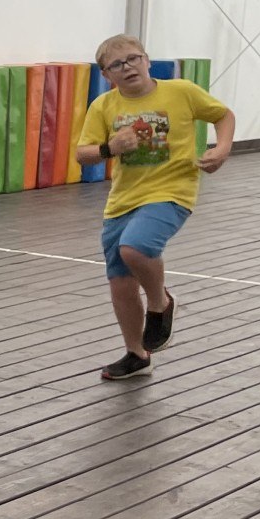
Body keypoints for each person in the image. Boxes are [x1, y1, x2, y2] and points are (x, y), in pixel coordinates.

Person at [77, 34, 235, 380]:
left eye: (133, 59)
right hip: (122, 200)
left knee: (136, 247)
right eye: (116, 64)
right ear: (106, 74)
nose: (127, 67)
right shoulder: (103, 106)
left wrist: (222, 149)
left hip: (172, 191)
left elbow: (223, 115)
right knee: (120, 284)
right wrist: (110, 148)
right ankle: (137, 354)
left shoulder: (181, 91)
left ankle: (160, 303)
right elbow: (83, 153)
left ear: (147, 60)